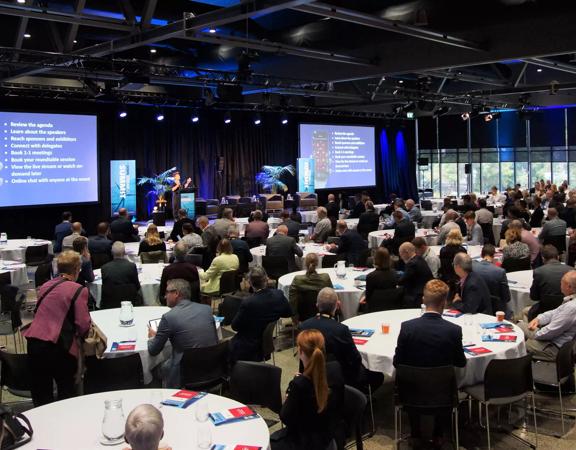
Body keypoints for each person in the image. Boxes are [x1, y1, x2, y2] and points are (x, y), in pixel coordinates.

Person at [393, 279, 466, 445]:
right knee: (442, 382)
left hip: (410, 394)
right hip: (443, 394)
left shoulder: (407, 327)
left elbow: (397, 362)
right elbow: (461, 363)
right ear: (444, 303)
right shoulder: (453, 330)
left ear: (424, 301)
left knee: (412, 381)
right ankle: (439, 433)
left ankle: (416, 433)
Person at [23, 251, 92, 406]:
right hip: (59, 347)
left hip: (34, 342)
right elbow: (83, 324)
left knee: (41, 394)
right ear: (76, 269)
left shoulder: (45, 286)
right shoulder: (79, 290)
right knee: (66, 392)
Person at [270, 329, 344, 450]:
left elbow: (285, 418)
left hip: (304, 441)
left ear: (300, 352)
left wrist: (289, 397)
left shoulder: (299, 384)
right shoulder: (336, 369)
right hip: (328, 435)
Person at [300, 288, 384, 392]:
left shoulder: (303, 326)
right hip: (341, 378)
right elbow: (355, 360)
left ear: (317, 305)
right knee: (378, 376)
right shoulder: (341, 329)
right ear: (338, 305)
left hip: (311, 376)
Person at [148, 279, 218, 388]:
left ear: (176, 293)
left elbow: (153, 350)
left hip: (184, 372)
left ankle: (163, 396)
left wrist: (153, 337)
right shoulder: (206, 309)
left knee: (152, 370)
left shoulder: (169, 317)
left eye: (167, 292)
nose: (165, 296)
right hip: (212, 367)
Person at [230, 266, 292, 364]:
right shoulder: (278, 295)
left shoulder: (248, 302)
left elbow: (235, 326)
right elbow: (288, 313)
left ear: (250, 283)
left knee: (223, 349)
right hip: (267, 344)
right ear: (266, 279)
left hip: (249, 346)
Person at [518, 271, 576, 362]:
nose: (559, 284)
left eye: (561, 282)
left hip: (555, 348)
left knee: (519, 340)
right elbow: (554, 312)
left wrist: (534, 335)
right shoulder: (571, 300)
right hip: (555, 338)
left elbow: (552, 330)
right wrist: (538, 319)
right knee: (522, 326)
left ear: (569, 287)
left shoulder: (572, 307)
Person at [525, 245, 574, 320]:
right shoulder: (572, 271)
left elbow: (534, 297)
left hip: (544, 310)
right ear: (558, 257)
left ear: (543, 258)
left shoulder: (539, 271)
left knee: (526, 311)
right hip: (569, 312)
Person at [289, 253, 333, 323]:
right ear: (318, 263)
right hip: (323, 314)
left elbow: (292, 300)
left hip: (303, 316)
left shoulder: (297, 279)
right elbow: (332, 296)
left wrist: (294, 316)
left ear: (305, 263)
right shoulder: (325, 278)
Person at [472, 244, 511, 317]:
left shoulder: (473, 267)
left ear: (481, 254)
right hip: (495, 309)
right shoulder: (500, 271)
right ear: (494, 255)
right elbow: (507, 297)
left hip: (476, 305)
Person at [100, 242, 141, 309]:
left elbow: (105, 288)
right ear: (124, 252)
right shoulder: (131, 266)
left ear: (111, 253)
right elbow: (137, 286)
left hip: (110, 302)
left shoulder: (104, 268)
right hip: (130, 301)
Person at [397, 242, 433, 307]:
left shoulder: (411, 264)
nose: (401, 258)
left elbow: (401, 281)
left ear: (406, 252)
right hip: (426, 292)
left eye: (401, 255)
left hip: (416, 296)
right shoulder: (420, 258)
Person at [439, 228, 467, 295]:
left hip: (446, 278)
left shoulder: (443, 250)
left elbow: (442, 266)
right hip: (459, 278)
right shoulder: (463, 250)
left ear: (448, 237)